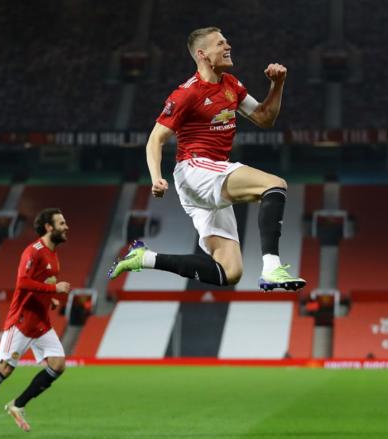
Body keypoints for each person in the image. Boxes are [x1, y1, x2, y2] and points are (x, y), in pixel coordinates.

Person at [109, 26, 306, 291]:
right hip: (195, 170)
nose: (228, 47)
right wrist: (157, 178)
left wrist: (277, 85)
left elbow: (264, 118)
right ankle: (272, 267)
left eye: (227, 41)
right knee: (274, 185)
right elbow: (155, 139)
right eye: (220, 44)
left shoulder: (231, 85)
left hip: (211, 175)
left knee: (230, 272)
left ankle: (144, 258)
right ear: (202, 54)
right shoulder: (187, 93)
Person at [0, 208, 71, 437]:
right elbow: (22, 282)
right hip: (22, 321)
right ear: (49, 227)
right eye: (62, 223)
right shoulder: (33, 251)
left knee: (58, 364)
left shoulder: (54, 255)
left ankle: (18, 404)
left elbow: (37, 285)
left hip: (41, 322)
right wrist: (55, 288)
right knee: (4, 369)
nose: (66, 227)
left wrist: (49, 298)